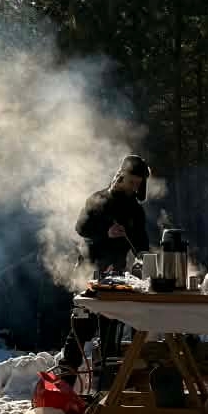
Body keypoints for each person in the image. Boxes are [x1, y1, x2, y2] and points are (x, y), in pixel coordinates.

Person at [61, 155, 150, 379]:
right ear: (120, 177)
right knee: (81, 326)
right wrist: (106, 233)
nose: (133, 188)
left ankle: (106, 387)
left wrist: (144, 260)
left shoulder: (135, 210)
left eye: (137, 184)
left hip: (116, 275)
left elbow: (142, 245)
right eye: (131, 182)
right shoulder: (99, 199)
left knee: (111, 329)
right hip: (89, 270)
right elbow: (81, 227)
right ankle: (65, 382)